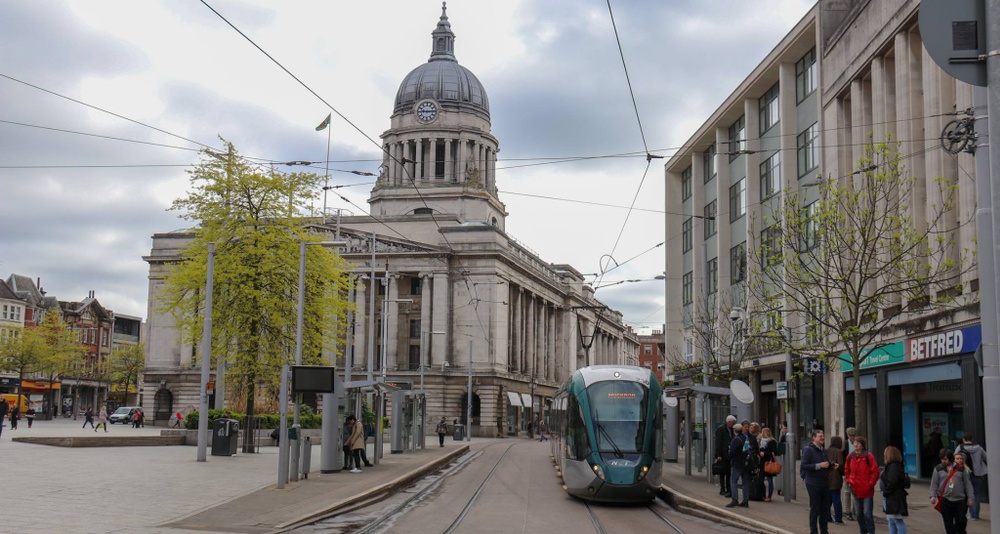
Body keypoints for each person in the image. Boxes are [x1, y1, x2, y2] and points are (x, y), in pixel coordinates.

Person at [930, 448, 974, 534]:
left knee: (961, 521)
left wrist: (970, 498)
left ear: (950, 458)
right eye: (942, 459)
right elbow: (934, 484)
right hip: (945, 500)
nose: (943, 461)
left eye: (945, 459)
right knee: (948, 524)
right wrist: (932, 496)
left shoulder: (960, 469)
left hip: (959, 500)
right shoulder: (938, 468)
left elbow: (968, 485)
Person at [844, 436, 879, 534]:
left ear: (862, 445)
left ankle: (871, 532)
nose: (855, 445)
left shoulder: (868, 456)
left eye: (858, 443)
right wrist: (849, 480)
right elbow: (847, 470)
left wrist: (870, 484)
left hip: (866, 489)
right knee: (859, 513)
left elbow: (875, 471)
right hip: (855, 488)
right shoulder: (850, 456)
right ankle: (863, 531)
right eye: (854, 443)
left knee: (867, 513)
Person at [802, 429, 833, 534]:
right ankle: (813, 531)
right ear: (814, 438)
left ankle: (824, 530)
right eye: (820, 436)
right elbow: (804, 465)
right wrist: (819, 466)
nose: (822, 438)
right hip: (813, 483)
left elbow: (826, 464)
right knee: (815, 508)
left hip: (824, 483)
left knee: (825, 509)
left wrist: (832, 465)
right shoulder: (808, 450)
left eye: (823, 436)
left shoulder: (824, 450)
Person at [955, 434, 988, 521]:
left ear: (963, 439)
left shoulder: (960, 447)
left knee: (967, 494)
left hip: (965, 473)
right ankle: (974, 515)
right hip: (979, 474)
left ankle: (966, 513)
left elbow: (955, 458)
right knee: (976, 494)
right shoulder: (979, 448)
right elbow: (986, 458)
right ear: (972, 439)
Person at [880, 445, 908, 534]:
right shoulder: (895, 466)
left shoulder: (893, 467)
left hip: (893, 496)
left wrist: (886, 492)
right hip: (893, 496)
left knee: (896, 520)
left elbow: (892, 482)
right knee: (892, 520)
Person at [726, 423, 750, 508]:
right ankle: (745, 500)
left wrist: (728, 457)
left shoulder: (735, 440)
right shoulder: (745, 438)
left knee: (733, 481)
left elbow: (732, 452)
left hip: (737, 463)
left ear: (734, 430)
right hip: (746, 464)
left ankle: (734, 500)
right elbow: (747, 450)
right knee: (745, 482)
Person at [715, 415, 737, 498]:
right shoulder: (721, 429)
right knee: (722, 472)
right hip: (723, 454)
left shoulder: (732, 430)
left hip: (729, 454)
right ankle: (722, 488)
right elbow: (718, 442)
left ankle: (728, 488)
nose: (734, 424)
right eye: (733, 422)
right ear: (729, 422)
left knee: (728, 472)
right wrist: (718, 454)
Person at [826, 435, 845, 524]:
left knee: (828, 499)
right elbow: (840, 464)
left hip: (826, 477)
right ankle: (838, 518)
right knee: (836, 498)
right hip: (835, 477)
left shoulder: (826, 451)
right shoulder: (838, 452)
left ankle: (827, 516)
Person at [759, 427, 778, 502]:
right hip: (762, 462)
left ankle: (769, 496)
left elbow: (774, 452)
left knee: (770, 480)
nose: (761, 434)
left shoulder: (772, 441)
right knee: (761, 479)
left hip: (769, 462)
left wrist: (765, 453)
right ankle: (763, 495)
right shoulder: (761, 441)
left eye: (762, 432)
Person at [844, 427, 858, 521]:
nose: (852, 437)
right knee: (847, 492)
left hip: (857, 471)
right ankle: (848, 511)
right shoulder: (845, 444)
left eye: (853, 436)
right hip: (848, 471)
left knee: (856, 492)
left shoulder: (858, 444)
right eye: (850, 436)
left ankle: (855, 511)